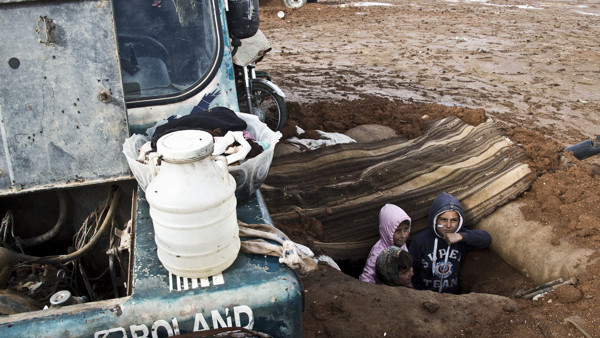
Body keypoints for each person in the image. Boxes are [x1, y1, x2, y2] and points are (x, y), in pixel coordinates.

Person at [409, 192, 491, 294]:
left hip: (452, 299)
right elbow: (411, 269)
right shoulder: (420, 240)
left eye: (453, 220)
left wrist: (461, 236)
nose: (448, 225)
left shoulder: (460, 239)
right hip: (424, 297)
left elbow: (486, 239)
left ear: (459, 221)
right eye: (443, 220)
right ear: (435, 220)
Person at [359, 204, 411, 284]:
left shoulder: (402, 245)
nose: (403, 235)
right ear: (388, 231)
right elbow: (367, 278)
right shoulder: (378, 252)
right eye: (397, 231)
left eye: (405, 230)